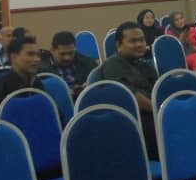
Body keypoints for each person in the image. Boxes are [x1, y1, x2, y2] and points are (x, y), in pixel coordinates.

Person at [100, 22, 161, 156]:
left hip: (153, 117)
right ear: (119, 45)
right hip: (133, 121)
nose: (139, 44)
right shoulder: (113, 64)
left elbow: (159, 91)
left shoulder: (144, 65)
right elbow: (130, 96)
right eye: (133, 41)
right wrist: (161, 112)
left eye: (141, 40)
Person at [0, 35, 45, 121]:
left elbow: (54, 115)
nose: (37, 59)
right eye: (30, 54)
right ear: (14, 57)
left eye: (37, 55)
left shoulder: (37, 84)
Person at [38, 31, 99, 96]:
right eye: (62, 54)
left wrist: (90, 83)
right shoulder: (40, 69)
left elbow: (99, 78)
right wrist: (61, 91)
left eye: (71, 53)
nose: (67, 58)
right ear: (52, 50)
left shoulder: (88, 63)